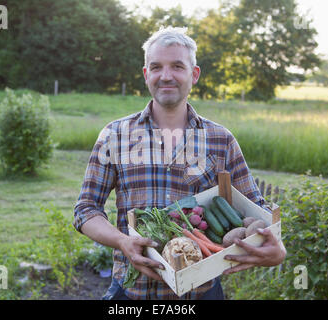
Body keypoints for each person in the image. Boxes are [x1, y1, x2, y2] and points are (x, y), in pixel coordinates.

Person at [73, 27, 286, 300]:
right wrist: (122, 241)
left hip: (201, 293)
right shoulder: (115, 135)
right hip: (132, 291)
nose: (166, 76)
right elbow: (86, 209)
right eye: (156, 67)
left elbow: (259, 211)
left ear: (194, 74)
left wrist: (277, 248)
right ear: (146, 74)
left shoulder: (221, 140)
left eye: (177, 66)